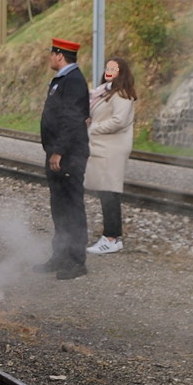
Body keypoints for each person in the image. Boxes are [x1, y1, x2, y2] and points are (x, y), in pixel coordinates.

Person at [34, 37, 91, 280]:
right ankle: (60, 255)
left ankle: (77, 261)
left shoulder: (74, 80)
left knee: (72, 207)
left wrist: (59, 150)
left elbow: (72, 119)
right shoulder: (64, 80)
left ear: (60, 55)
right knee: (59, 207)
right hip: (58, 153)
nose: (49, 58)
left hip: (69, 155)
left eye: (52, 54)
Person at [85, 57, 137, 255]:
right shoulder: (105, 92)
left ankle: (112, 238)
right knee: (105, 191)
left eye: (113, 68)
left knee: (109, 192)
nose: (109, 70)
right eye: (107, 67)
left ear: (121, 72)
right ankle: (110, 236)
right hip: (104, 147)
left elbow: (118, 121)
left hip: (112, 149)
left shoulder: (122, 94)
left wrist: (94, 128)